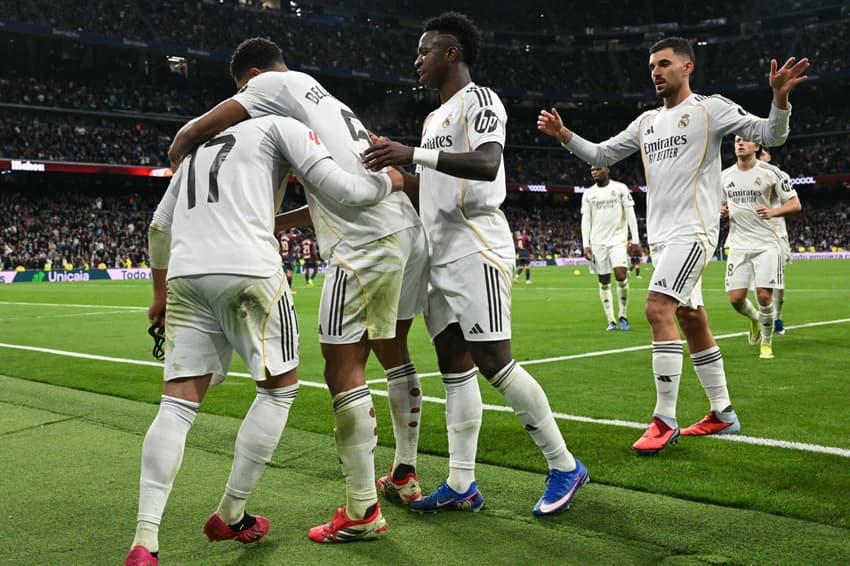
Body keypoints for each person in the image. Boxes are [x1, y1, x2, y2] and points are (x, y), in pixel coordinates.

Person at [168, 37, 429, 543]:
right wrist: (268, 220)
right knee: (392, 351)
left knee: (341, 367)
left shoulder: (269, 84)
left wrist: (180, 150)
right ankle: (404, 471)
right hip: (401, 230)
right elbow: (327, 193)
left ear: (250, 76)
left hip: (365, 240)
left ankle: (362, 511)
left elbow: (194, 129)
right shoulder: (322, 105)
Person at [124, 115, 401, 565]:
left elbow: (159, 226)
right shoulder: (279, 125)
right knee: (277, 392)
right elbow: (344, 191)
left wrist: (159, 295)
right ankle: (231, 512)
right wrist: (391, 180)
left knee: (175, 406)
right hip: (250, 269)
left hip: (186, 274)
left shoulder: (199, 145)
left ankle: (144, 540)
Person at [363, 11, 587, 517]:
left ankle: (564, 465)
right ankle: (462, 483)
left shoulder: (481, 101)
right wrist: (394, 164)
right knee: (454, 368)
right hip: (439, 253)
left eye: (425, 50)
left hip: (476, 245)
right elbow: (429, 186)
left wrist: (413, 153)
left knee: (494, 361)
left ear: (452, 52)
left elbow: (487, 164)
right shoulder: (431, 120)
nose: (417, 59)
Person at [537, 37, 808, 454]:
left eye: (664, 64)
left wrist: (779, 98)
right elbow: (603, 152)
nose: (656, 72)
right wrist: (564, 134)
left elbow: (772, 133)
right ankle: (722, 412)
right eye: (651, 67)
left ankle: (664, 418)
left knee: (656, 307)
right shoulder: (646, 122)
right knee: (691, 317)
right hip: (661, 237)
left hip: (694, 233)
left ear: (687, 68)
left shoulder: (709, 109)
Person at [721, 136, 801, 359]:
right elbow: (718, 204)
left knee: (764, 295)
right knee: (735, 299)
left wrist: (773, 212)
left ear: (756, 147)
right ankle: (755, 319)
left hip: (767, 244)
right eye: (737, 140)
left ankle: (766, 343)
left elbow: (795, 203)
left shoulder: (771, 173)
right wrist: (721, 211)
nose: (739, 143)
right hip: (738, 244)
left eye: (745, 141)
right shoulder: (724, 176)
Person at [580, 166, 641, 331]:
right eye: (592, 170)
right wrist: (586, 244)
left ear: (607, 170)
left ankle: (623, 315)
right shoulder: (588, 194)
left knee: (621, 275)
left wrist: (635, 239)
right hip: (597, 242)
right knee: (604, 280)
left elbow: (630, 214)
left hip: (617, 240)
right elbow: (586, 220)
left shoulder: (620, 188)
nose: (594, 172)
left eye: (598, 169)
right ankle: (611, 320)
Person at [759, 147, 791, 334]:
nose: (760, 158)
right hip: (753, 236)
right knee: (759, 284)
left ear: (769, 157)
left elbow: (792, 203)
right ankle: (763, 318)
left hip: (777, 234)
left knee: (777, 280)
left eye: (763, 154)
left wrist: (772, 212)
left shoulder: (778, 175)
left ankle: (777, 317)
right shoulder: (742, 176)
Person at [279, 227, 299, 292]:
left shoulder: (282, 237)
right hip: (289, 256)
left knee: (285, 273)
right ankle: (288, 289)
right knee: (290, 273)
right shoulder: (290, 236)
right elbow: (299, 236)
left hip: (283, 256)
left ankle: (285, 288)